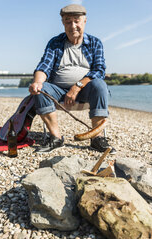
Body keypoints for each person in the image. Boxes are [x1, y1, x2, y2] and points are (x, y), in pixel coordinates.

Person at [29, 4, 116, 154]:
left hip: (85, 90)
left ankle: (97, 138)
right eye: (68, 21)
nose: (73, 26)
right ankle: (56, 138)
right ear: (63, 23)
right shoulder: (55, 42)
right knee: (41, 89)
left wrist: (76, 87)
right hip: (58, 91)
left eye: (77, 21)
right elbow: (44, 66)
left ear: (85, 21)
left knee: (100, 85)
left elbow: (99, 70)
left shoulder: (95, 43)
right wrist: (37, 82)